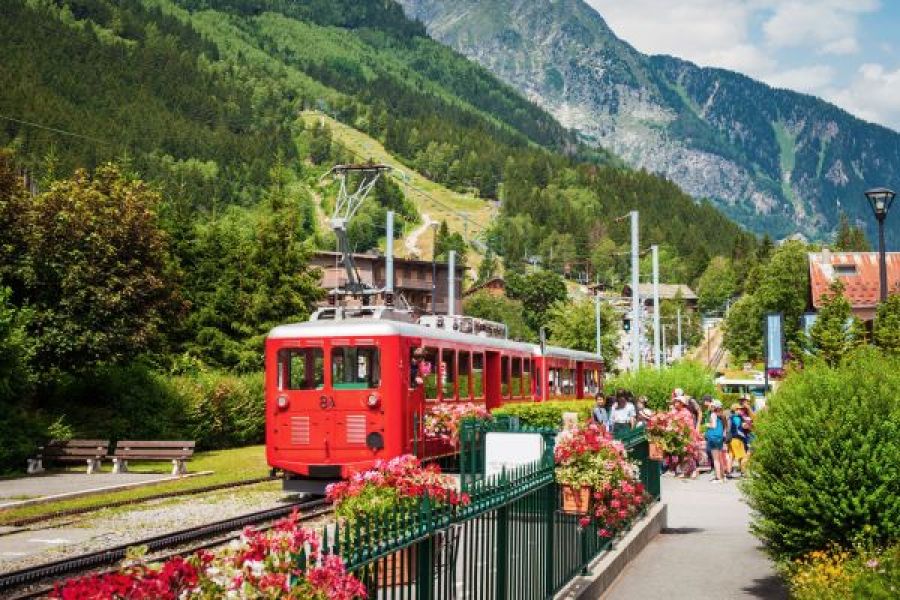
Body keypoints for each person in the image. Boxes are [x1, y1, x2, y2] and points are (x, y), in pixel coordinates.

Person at [705, 400, 727, 482]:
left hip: (713, 437)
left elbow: (713, 426)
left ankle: (718, 478)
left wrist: (707, 425)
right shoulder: (722, 416)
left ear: (715, 407)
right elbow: (724, 428)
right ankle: (723, 476)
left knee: (715, 459)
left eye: (712, 406)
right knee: (720, 458)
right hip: (719, 438)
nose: (710, 407)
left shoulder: (713, 414)